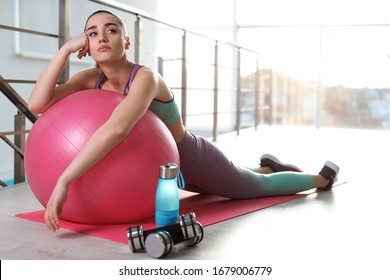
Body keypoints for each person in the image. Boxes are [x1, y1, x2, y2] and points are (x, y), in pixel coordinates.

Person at [28, 10, 339, 232]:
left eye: (111, 30)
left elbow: (118, 128)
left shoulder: (146, 78)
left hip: (190, 156)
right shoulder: (89, 78)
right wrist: (65, 50)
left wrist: (64, 181)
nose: (102, 37)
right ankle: (267, 164)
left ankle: (320, 179)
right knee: (220, 187)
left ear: (126, 40)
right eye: (92, 33)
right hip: (151, 170)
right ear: (87, 45)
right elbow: (38, 103)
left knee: (254, 187)